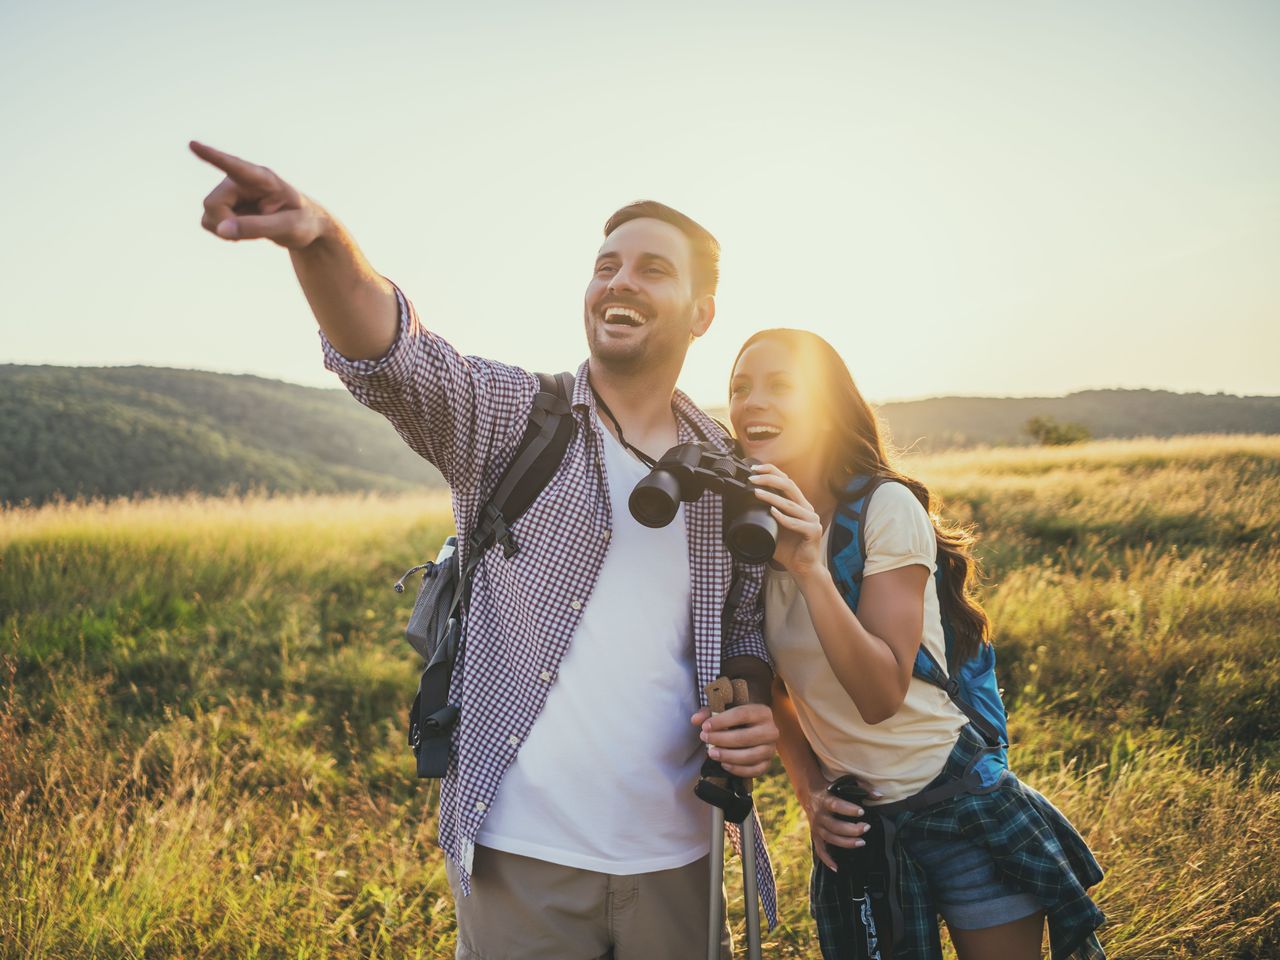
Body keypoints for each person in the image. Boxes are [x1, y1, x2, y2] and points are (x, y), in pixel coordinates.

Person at [190, 140, 780, 960]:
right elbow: (393, 359)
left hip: (681, 864)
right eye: (606, 264)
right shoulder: (512, 420)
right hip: (523, 865)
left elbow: (747, 630)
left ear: (699, 313)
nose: (619, 282)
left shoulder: (729, 470)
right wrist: (319, 238)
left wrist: (755, 702)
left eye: (652, 270)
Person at [728, 328, 1106, 960]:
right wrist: (811, 791)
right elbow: (776, 688)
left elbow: (880, 694)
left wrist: (810, 569)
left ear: (826, 405)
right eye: (739, 388)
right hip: (862, 825)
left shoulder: (885, 507)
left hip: (954, 802)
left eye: (780, 386)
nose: (752, 402)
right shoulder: (746, 528)